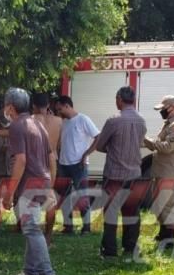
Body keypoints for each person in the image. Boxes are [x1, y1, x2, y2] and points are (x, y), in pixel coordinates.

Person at [2, 87, 58, 275]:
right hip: (42, 180)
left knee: (32, 229)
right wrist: (49, 183)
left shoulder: (17, 126)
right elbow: (51, 156)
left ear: (10, 107)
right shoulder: (37, 123)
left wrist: (9, 193)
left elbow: (21, 160)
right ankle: (30, 271)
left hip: (30, 185)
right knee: (30, 227)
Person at [83, 86, 146, 258]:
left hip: (114, 174)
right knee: (132, 211)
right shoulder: (141, 120)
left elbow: (101, 144)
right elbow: (140, 142)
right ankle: (130, 246)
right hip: (134, 173)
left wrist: (113, 148)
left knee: (111, 211)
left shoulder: (113, 120)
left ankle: (109, 250)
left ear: (119, 99)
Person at [144, 95, 174, 249]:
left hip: (170, 171)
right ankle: (163, 234)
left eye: (163, 109)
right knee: (160, 204)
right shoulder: (169, 124)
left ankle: (170, 240)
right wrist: (146, 140)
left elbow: (166, 147)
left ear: (173, 107)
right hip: (162, 171)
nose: (162, 112)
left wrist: (147, 140)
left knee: (169, 205)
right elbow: (158, 144)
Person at [54, 95, 98, 235]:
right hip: (63, 165)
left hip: (79, 165)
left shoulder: (83, 119)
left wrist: (86, 154)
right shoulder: (64, 122)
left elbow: (98, 137)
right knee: (65, 197)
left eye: (60, 109)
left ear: (67, 105)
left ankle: (86, 227)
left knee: (82, 196)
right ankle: (68, 227)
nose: (59, 112)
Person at [31, 93, 62, 245]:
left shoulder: (31, 120)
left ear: (34, 106)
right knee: (50, 201)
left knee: (31, 199)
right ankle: (48, 236)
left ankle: (33, 235)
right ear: (48, 105)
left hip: (36, 162)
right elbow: (59, 144)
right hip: (53, 161)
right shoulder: (59, 121)